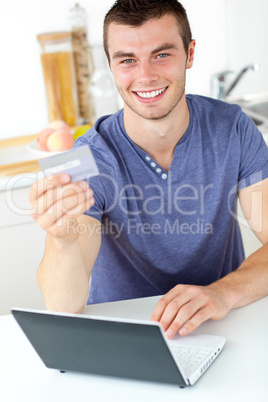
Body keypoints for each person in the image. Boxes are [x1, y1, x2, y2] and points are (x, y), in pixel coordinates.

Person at [29, 0, 268, 339]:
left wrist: (223, 292)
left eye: (161, 55)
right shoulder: (90, 158)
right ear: (112, 66)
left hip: (221, 325)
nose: (145, 75)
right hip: (126, 336)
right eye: (128, 60)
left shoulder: (233, 130)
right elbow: (63, 306)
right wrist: (62, 239)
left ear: (190, 53)